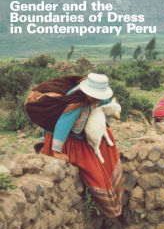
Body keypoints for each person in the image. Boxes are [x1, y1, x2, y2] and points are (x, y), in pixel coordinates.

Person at [29, 73, 124, 218]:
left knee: (107, 142)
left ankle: (113, 196)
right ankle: (107, 206)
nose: (97, 98)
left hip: (81, 137)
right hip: (70, 140)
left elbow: (104, 107)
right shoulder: (76, 104)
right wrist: (56, 152)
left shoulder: (98, 100)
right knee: (93, 171)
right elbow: (62, 126)